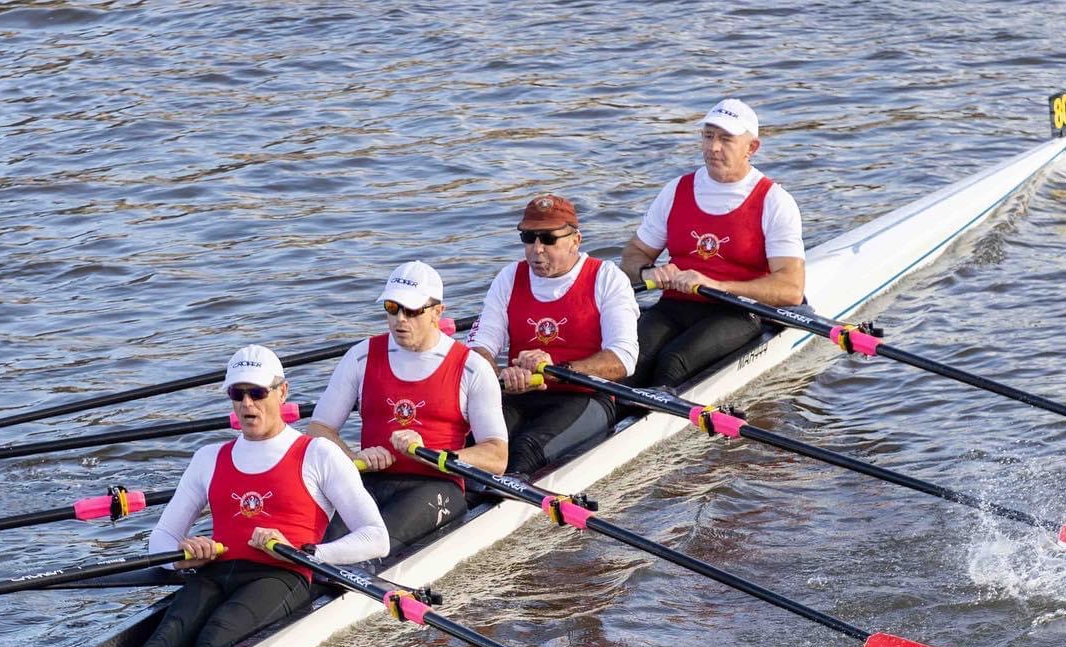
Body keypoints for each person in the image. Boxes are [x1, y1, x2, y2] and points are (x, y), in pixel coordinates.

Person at [118, 345, 388, 647]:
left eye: (258, 393)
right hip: (216, 572)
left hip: (282, 575)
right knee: (167, 636)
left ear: (282, 392)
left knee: (217, 635)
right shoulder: (209, 458)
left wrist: (307, 553)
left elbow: (376, 538)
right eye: (237, 393)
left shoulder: (319, 454)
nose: (247, 404)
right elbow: (162, 539)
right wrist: (182, 555)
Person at [309, 261, 508, 556]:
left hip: (435, 484)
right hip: (370, 479)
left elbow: (497, 457)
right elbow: (319, 430)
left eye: (412, 310)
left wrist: (434, 455)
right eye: (392, 307)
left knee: (368, 547)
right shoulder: (360, 357)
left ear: (437, 313)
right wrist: (351, 457)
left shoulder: (471, 368)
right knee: (320, 540)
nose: (400, 320)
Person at [621, 97, 806, 388]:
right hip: (674, 306)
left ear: (752, 148)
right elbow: (633, 255)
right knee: (626, 362)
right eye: (708, 136)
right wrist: (647, 272)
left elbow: (791, 290)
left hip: (736, 310)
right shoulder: (676, 190)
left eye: (725, 139)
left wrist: (718, 285)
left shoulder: (774, 201)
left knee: (673, 362)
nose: (713, 147)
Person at [467, 193, 639, 477]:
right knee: (472, 446)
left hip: (584, 398)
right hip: (519, 395)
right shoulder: (509, 278)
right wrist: (499, 374)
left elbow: (623, 360)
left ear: (575, 240)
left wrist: (555, 371)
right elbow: (478, 349)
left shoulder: (606, 278)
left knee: (526, 449)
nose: (537, 249)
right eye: (528, 238)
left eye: (548, 239)